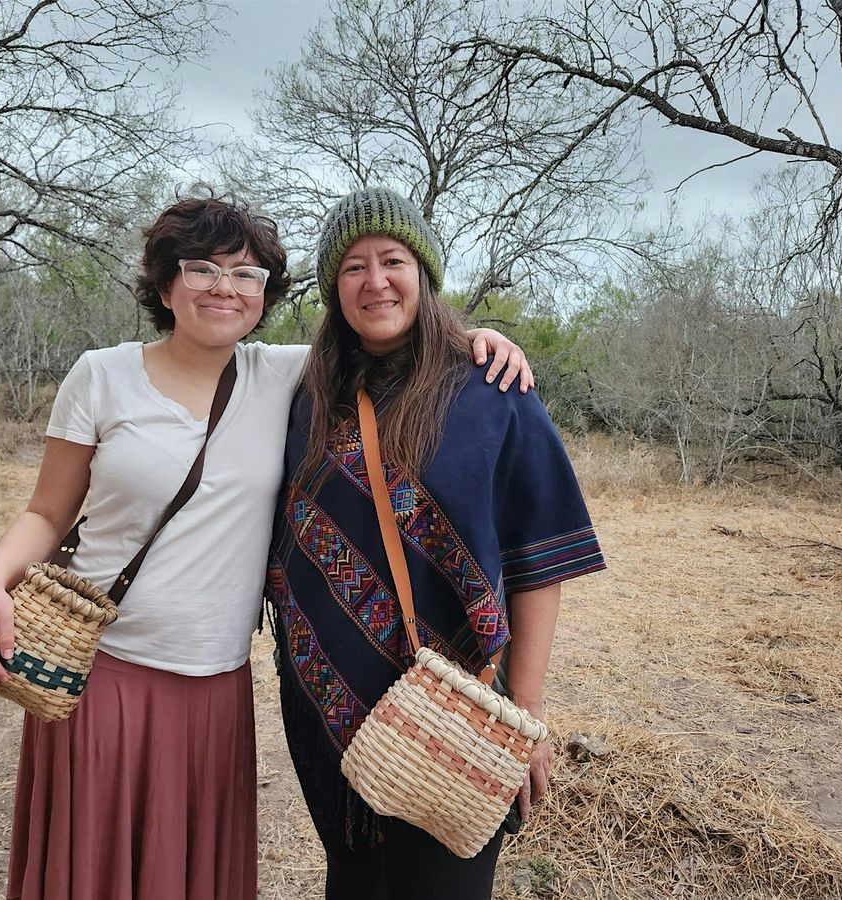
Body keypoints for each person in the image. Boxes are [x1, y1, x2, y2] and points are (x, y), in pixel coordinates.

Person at [0, 188, 535, 900]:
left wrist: (476, 340)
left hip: (214, 685)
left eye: (247, 274)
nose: (224, 288)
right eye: (202, 269)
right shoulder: (101, 376)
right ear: (165, 282)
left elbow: (393, 340)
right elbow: (46, 511)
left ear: (265, 295)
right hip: (104, 674)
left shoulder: (285, 376)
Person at [267, 186, 607, 900]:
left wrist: (527, 714)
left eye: (392, 259)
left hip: (458, 719)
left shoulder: (491, 390)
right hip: (327, 707)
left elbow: (537, 563)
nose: (375, 280)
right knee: (351, 884)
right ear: (333, 287)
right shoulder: (308, 396)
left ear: (424, 272)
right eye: (353, 267)